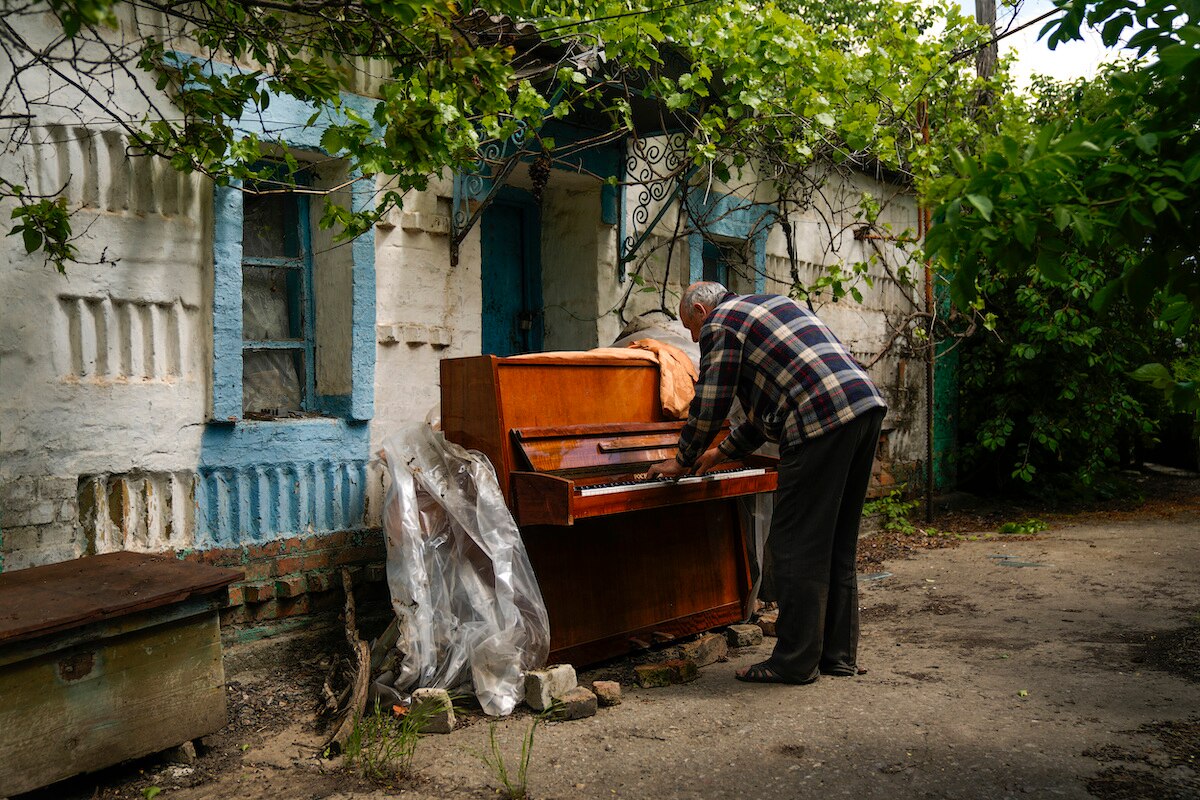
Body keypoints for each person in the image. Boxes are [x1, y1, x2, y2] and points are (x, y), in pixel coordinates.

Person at [647, 281, 887, 684]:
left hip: (820, 421)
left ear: (702, 313)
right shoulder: (771, 306)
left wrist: (682, 459)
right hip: (863, 407)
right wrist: (720, 453)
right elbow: (764, 415)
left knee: (795, 544)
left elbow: (710, 402)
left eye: (692, 330)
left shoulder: (720, 324)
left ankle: (793, 661)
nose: (696, 339)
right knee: (837, 543)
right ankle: (837, 657)